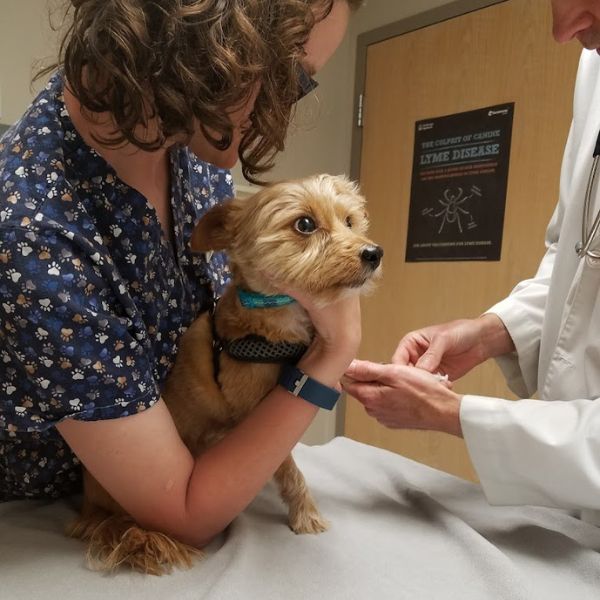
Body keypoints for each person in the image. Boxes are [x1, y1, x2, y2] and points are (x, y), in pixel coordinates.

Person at [0, 0, 363, 548]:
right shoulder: (33, 230)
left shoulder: (188, 150)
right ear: (212, 37)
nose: (284, 112)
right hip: (65, 509)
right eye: (291, 79)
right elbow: (183, 513)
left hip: (195, 451)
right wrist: (331, 357)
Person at [343, 0, 600, 524]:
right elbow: (576, 252)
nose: (563, 28)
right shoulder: (593, 64)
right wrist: (489, 331)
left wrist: (453, 414)